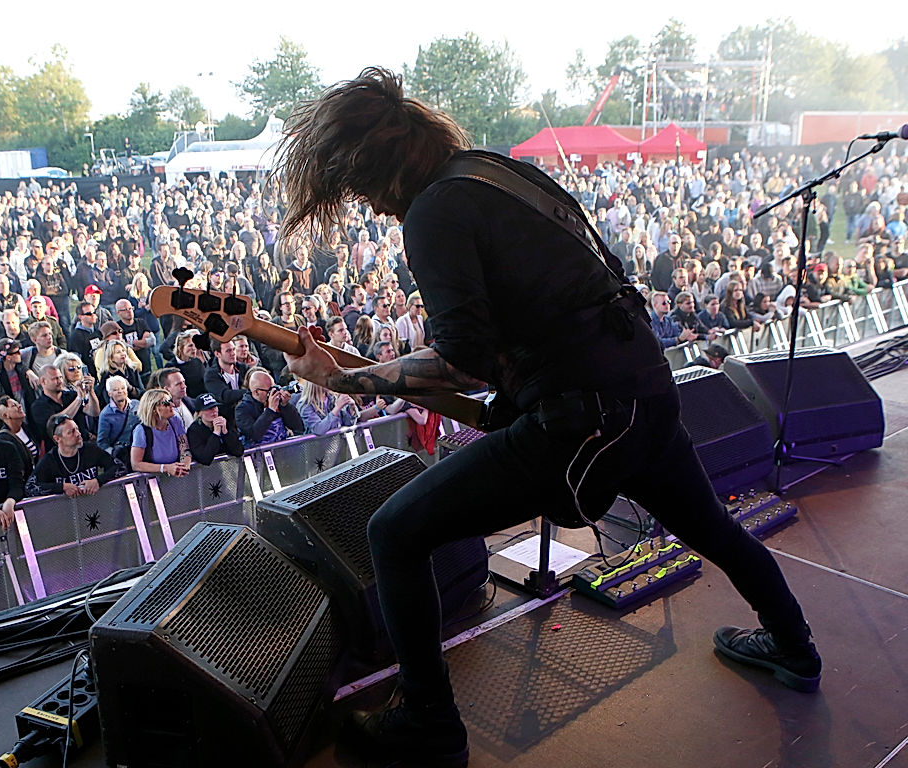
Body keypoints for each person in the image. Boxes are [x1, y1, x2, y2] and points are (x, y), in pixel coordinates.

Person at [275, 68, 819, 766]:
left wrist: (350, 378)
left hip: (582, 420)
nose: (373, 209)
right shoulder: (494, 174)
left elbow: (462, 357)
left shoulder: (434, 211)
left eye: (363, 190)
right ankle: (794, 645)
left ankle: (429, 722)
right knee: (709, 524)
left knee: (394, 532)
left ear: (378, 168)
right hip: (643, 390)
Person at [33, 413, 121, 496]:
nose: (78, 434)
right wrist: (61, 487)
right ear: (57, 439)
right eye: (71, 432)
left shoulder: (91, 450)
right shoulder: (49, 461)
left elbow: (119, 467)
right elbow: (31, 487)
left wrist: (98, 480)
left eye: (77, 429)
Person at [234, 368, 304, 447]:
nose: (273, 393)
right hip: (258, 454)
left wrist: (285, 406)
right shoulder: (242, 409)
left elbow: (298, 427)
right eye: (269, 390)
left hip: (282, 451)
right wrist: (270, 410)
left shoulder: (278, 403)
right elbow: (254, 435)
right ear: (257, 391)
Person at [129, 387, 191, 477]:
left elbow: (184, 448)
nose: (172, 405)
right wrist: (165, 468)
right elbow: (136, 464)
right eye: (166, 403)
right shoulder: (141, 431)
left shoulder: (175, 421)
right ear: (154, 409)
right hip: (153, 481)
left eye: (171, 401)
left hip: (176, 478)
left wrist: (184, 465)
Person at [185, 393, 244, 465]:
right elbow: (205, 458)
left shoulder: (224, 422)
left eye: (215, 407)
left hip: (228, 467)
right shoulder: (194, 431)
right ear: (200, 413)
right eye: (209, 408)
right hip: (204, 472)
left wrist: (225, 433)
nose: (214, 411)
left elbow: (238, 451)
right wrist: (216, 434)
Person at [97, 375, 141, 465]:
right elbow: (102, 442)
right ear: (109, 393)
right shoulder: (106, 415)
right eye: (116, 390)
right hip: (122, 457)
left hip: (141, 451)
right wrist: (115, 454)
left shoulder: (137, 405)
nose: (120, 391)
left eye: (122, 388)